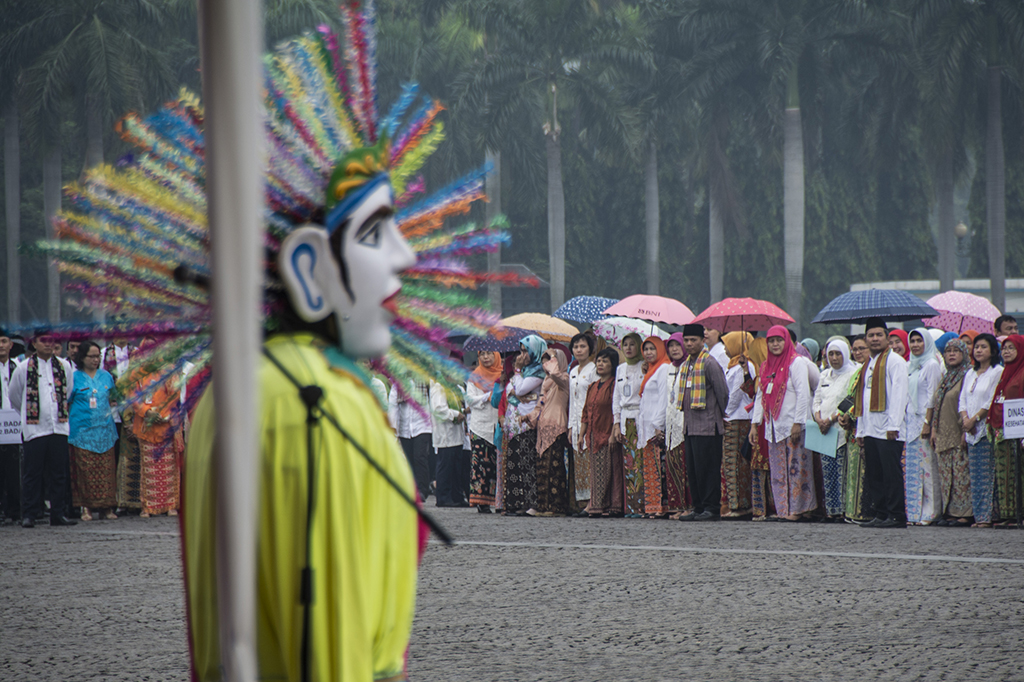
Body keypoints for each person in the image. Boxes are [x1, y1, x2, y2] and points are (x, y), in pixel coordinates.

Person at [8, 330, 77, 527]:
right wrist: (29, 412)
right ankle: (29, 513)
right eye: (43, 341)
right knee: (32, 473)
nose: (47, 345)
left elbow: (68, 390)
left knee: (58, 473)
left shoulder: (63, 366)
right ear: (34, 344)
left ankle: (58, 513)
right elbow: (15, 396)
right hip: (35, 428)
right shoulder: (23, 368)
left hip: (59, 426)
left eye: (51, 341)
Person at [847, 318, 909, 529]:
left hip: (889, 429)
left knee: (891, 473)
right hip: (871, 428)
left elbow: (900, 396)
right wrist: (861, 430)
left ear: (887, 337)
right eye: (870, 336)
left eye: (878, 335)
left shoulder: (895, 362)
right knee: (875, 473)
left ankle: (897, 515)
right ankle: (881, 513)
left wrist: (894, 425)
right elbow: (863, 398)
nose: (874, 339)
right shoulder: (869, 364)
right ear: (866, 338)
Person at [750, 325, 815, 522]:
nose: (775, 344)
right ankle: (783, 509)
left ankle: (799, 509)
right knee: (778, 470)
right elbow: (761, 395)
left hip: (793, 425)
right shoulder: (765, 366)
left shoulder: (796, 363)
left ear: (787, 341)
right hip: (773, 427)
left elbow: (804, 394)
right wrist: (754, 424)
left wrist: (798, 422)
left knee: (797, 468)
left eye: (779, 340)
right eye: (771, 340)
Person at [678, 323, 729, 522]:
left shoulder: (710, 363)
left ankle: (711, 508)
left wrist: (719, 415)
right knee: (693, 469)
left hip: (708, 426)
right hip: (690, 426)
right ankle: (698, 507)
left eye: (693, 340)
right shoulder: (687, 365)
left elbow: (723, 393)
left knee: (708, 469)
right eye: (686, 340)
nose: (689, 344)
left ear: (702, 341)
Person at [68, 341, 119, 521]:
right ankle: (86, 508)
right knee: (85, 471)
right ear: (82, 357)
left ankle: (106, 508)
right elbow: (66, 402)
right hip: (82, 432)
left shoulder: (106, 377)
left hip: (105, 430)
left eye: (98, 356)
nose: (96, 360)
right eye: (91, 356)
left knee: (106, 471)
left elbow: (113, 399)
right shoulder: (73, 377)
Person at [926, 339, 973, 526]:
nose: (951, 354)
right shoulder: (946, 377)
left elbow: (967, 405)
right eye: (948, 351)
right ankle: (950, 512)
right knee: (947, 477)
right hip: (943, 434)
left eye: (956, 351)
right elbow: (937, 405)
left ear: (963, 353)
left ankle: (964, 513)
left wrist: (964, 432)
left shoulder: (967, 375)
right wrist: (934, 430)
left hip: (958, 431)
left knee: (961, 475)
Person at [958, 333, 1002, 527]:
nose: (978, 350)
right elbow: (963, 400)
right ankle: (979, 516)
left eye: (983, 347)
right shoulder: (970, 373)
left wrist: (974, 420)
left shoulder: (997, 371)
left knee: (987, 474)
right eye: (976, 347)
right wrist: (965, 420)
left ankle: (988, 516)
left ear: (992, 350)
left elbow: (990, 400)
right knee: (975, 476)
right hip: (970, 431)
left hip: (984, 429)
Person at [811, 338, 858, 521]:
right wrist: (818, 418)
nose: (834, 357)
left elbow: (849, 399)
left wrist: (830, 419)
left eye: (838, 353)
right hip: (824, 431)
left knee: (842, 472)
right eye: (831, 354)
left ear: (845, 354)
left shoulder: (852, 374)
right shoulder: (825, 375)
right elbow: (817, 400)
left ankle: (844, 510)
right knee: (827, 472)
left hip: (840, 430)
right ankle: (831, 511)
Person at [501, 335, 546, 515]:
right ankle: (515, 503)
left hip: (529, 422)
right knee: (515, 463)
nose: (522, 354)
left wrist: (518, 372)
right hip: (515, 423)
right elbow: (509, 391)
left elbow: (518, 390)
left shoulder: (538, 371)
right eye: (521, 351)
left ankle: (530, 503)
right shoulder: (524, 372)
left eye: (526, 350)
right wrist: (518, 381)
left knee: (527, 463)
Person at [904, 329, 943, 525]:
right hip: (910, 423)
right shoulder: (910, 365)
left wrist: (928, 423)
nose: (916, 344)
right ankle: (914, 512)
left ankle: (930, 512)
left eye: (919, 340)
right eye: (913, 341)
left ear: (926, 343)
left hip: (924, 422)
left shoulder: (931, 365)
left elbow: (932, 397)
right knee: (913, 469)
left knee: (927, 469)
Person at [581, 348, 623, 517]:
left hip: (607, 432)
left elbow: (616, 409)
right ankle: (596, 505)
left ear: (612, 364)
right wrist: (581, 435)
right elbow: (585, 412)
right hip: (593, 434)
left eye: (605, 361)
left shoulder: (614, 384)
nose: (600, 364)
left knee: (611, 470)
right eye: (598, 361)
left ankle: (612, 506)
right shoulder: (592, 386)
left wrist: (613, 433)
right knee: (596, 471)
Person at [528, 348, 571, 516]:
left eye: (551, 361)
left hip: (556, 426)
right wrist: (528, 417)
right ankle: (543, 505)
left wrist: (553, 357)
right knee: (542, 468)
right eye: (544, 361)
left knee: (554, 468)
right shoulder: (546, 384)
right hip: (543, 429)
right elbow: (539, 406)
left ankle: (556, 507)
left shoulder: (563, 379)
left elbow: (557, 376)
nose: (547, 365)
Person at [987, 334, 1024, 526]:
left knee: (1018, 472)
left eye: (1011, 348)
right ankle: (1008, 514)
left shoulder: (1022, 372)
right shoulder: (1006, 373)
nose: (1006, 351)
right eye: (1004, 348)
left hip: (1018, 433)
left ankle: (1019, 513)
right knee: (1005, 473)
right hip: (1003, 430)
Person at [721, 331, 755, 518]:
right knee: (736, 464)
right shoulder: (735, 365)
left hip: (736, 418)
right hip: (738, 417)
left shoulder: (743, 366)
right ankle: (739, 503)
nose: (725, 348)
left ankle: (739, 505)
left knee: (735, 464)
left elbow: (734, 396)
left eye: (728, 344)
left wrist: (723, 412)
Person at [612, 333, 646, 517]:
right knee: (629, 464)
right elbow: (616, 397)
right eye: (625, 344)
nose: (628, 348)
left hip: (640, 415)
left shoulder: (645, 366)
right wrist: (616, 423)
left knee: (640, 462)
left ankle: (642, 506)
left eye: (633, 344)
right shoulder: (620, 369)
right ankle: (631, 507)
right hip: (625, 418)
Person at [637, 336, 670, 517]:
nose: (649, 353)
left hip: (656, 426)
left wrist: (659, 424)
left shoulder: (663, 368)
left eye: (652, 349)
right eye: (646, 349)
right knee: (650, 468)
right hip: (646, 426)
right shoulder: (650, 370)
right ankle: (651, 506)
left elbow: (664, 398)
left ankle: (661, 507)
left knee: (659, 468)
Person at [841, 335, 871, 523]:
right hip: (852, 428)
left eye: (862, 349)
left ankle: (862, 511)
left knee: (863, 471)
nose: (858, 352)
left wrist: (849, 414)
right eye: (855, 349)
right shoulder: (856, 372)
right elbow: (849, 397)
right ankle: (851, 511)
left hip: (865, 427)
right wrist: (841, 414)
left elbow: (864, 400)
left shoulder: (872, 371)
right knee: (852, 471)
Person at [466, 351, 501, 512]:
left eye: (489, 354)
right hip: (479, 426)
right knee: (480, 465)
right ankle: (481, 502)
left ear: (496, 356)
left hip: (497, 424)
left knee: (496, 464)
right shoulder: (474, 376)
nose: (486, 358)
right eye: (482, 355)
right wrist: (487, 397)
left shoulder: (502, 375)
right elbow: (470, 399)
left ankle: (497, 500)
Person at [567, 333, 598, 512]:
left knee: (589, 462)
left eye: (583, 346)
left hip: (590, 422)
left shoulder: (594, 370)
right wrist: (571, 426)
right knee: (579, 462)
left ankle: (592, 502)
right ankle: (582, 501)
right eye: (576, 347)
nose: (579, 350)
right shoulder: (572, 372)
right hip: (576, 422)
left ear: (590, 349)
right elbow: (572, 401)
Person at [388, 383, 433, 501]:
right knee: (408, 460)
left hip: (422, 425)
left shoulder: (424, 379)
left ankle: (422, 491)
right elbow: (393, 405)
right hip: (404, 428)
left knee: (420, 457)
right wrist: (393, 427)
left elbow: (431, 401)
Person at [663, 333, 691, 518]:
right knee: (673, 465)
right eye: (671, 346)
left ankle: (689, 506)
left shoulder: (690, 367)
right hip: (671, 422)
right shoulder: (668, 369)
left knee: (686, 467)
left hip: (685, 422)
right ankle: (678, 506)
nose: (674, 349)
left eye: (677, 345)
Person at [430, 379, 467, 508]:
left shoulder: (454, 388)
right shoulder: (439, 388)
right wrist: (456, 414)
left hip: (456, 434)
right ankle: (443, 498)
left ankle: (457, 496)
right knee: (445, 467)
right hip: (445, 434)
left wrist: (462, 411)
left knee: (456, 468)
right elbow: (439, 409)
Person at [0, 329, 21, 524]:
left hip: (14, 426)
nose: (1, 345)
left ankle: (16, 509)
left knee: (15, 470)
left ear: (10, 345)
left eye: (4, 341)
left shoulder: (18, 367)